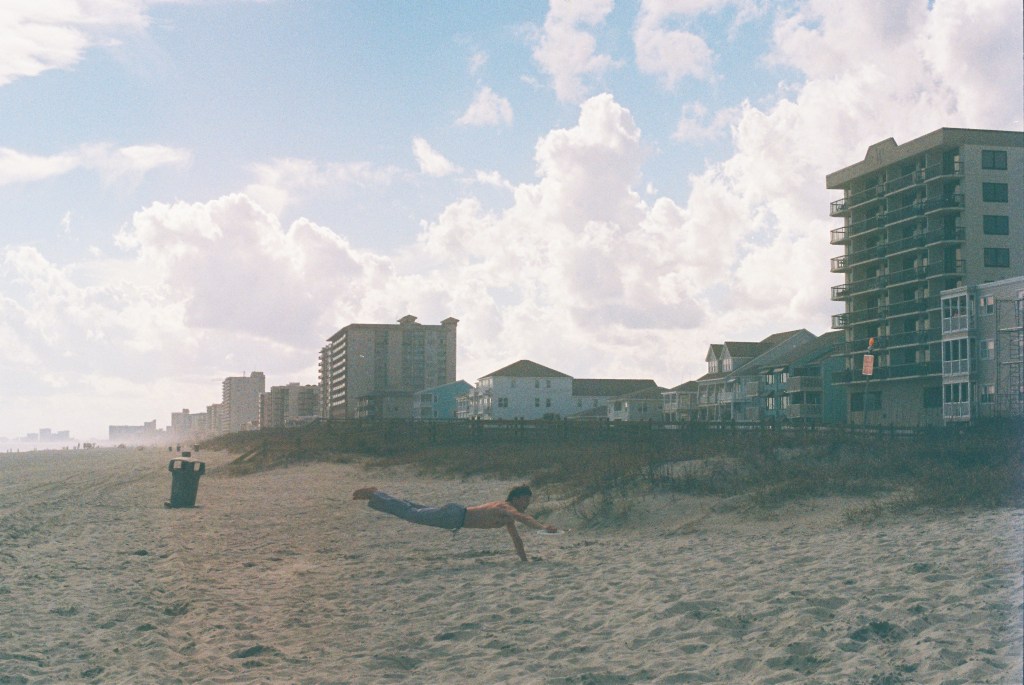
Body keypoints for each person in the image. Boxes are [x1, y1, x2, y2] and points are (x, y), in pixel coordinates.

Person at [352, 484, 557, 562]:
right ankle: (375, 494)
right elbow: (524, 519)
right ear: (517, 498)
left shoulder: (507, 515)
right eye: (526, 500)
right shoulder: (507, 508)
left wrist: (524, 561)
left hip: (454, 514)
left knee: (413, 509)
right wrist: (543, 528)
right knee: (411, 513)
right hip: (454, 516)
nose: (527, 504)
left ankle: (378, 495)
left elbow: (516, 539)